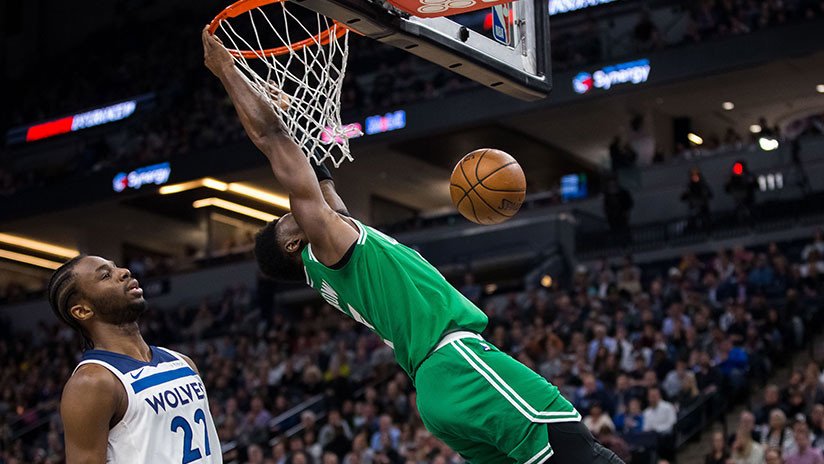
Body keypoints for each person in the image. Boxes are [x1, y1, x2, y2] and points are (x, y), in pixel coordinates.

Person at [203, 27, 625, 464]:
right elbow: (274, 143)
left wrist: (292, 118)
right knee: (574, 445)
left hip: (436, 389)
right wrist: (228, 72)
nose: (295, 209)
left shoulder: (335, 253)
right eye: (287, 218)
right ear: (292, 244)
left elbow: (321, 181)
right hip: (455, 362)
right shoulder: (324, 244)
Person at [48, 255, 221, 463]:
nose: (123, 272)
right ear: (83, 311)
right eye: (105, 275)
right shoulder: (92, 382)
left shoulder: (182, 361)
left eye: (115, 267)